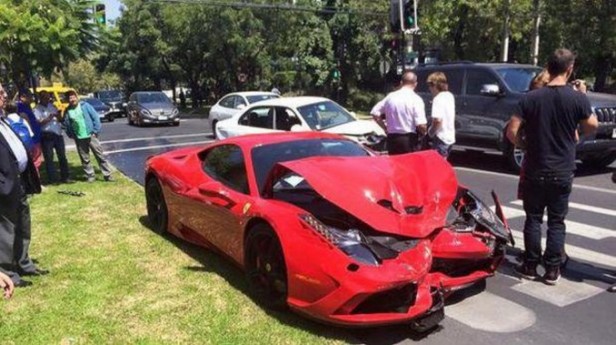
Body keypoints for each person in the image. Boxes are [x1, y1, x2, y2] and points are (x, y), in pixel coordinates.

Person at [506, 49, 598, 285]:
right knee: (557, 221)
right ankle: (552, 270)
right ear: (570, 68)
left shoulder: (530, 98)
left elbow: (512, 131)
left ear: (549, 66)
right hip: (562, 169)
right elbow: (591, 126)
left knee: (533, 219)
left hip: (536, 166)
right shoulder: (577, 98)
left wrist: (524, 144)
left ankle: (529, 264)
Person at [0, 81, 46, 288]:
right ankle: (7, 272)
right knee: (6, 230)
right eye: (0, 92)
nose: (4, 95)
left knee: (22, 224)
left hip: (17, 183)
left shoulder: (4, 120)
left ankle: (24, 263)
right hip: (4, 186)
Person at [370, 71, 427, 155]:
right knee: (409, 165)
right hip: (408, 139)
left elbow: (375, 113)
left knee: (395, 165)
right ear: (415, 84)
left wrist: (385, 128)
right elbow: (420, 125)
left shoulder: (390, 97)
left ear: (401, 82)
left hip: (392, 138)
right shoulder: (416, 99)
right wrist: (425, 133)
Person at [62, 90, 113, 182]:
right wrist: (70, 134)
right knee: (85, 158)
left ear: (77, 97)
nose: (72, 99)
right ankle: (90, 176)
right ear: (67, 100)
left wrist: (95, 131)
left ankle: (107, 175)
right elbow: (66, 124)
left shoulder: (85, 106)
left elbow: (95, 118)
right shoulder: (68, 110)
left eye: (73, 97)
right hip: (79, 137)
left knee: (100, 155)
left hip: (90, 135)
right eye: (69, 98)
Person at [34, 91, 69, 184]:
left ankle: (65, 177)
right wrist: (49, 117)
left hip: (57, 134)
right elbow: (39, 123)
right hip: (47, 135)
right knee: (49, 158)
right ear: (40, 98)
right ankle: (53, 179)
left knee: (62, 156)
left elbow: (60, 119)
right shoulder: (37, 109)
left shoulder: (52, 106)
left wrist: (59, 115)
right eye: (45, 97)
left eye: (48, 97)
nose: (47, 99)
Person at [426, 72, 456, 159]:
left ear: (435, 85)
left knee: (437, 167)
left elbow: (437, 120)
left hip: (441, 137)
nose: (429, 89)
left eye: (430, 86)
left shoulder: (438, 99)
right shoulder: (450, 96)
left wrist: (430, 132)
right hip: (450, 136)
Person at [16, 89, 43, 172]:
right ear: (22, 97)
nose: (31, 98)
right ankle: (35, 182)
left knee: (37, 160)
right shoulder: (20, 107)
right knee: (34, 161)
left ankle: (37, 181)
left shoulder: (27, 106)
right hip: (31, 139)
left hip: (35, 137)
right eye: (30, 96)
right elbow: (24, 120)